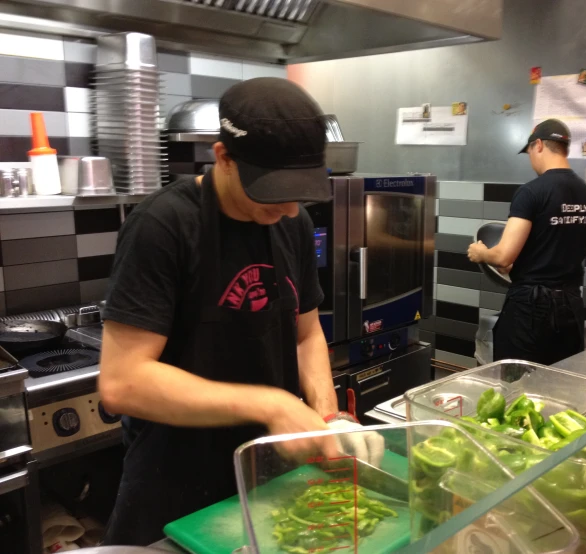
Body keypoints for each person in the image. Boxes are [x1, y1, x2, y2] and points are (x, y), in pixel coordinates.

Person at [99, 78, 381, 546]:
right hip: (177, 483)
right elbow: (122, 382)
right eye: (272, 192)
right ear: (223, 158)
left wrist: (329, 419)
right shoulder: (162, 225)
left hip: (273, 475)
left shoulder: (293, 223)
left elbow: (306, 334)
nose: (290, 209)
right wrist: (271, 405)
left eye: (300, 192)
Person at [468, 119, 586, 365]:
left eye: (529, 151)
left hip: (531, 308)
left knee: (516, 382)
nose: (530, 159)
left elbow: (503, 256)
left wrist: (481, 253)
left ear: (538, 145)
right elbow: (555, 247)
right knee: (560, 381)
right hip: (571, 305)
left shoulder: (532, 192)